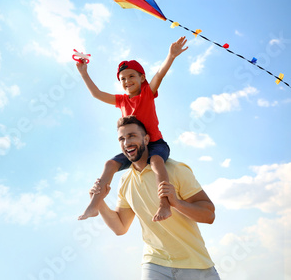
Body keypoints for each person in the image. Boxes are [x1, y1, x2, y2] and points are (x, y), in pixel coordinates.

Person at [91, 115, 220, 279]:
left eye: (132, 136)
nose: (126, 142)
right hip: (155, 263)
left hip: (195, 265)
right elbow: (120, 227)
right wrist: (99, 201)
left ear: (146, 139)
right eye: (121, 138)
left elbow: (209, 215)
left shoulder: (175, 169)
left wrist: (177, 203)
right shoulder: (125, 181)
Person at [77, 36, 188, 221]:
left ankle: (164, 204)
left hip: (155, 145)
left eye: (131, 76)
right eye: (123, 78)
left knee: (156, 162)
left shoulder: (147, 93)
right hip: (134, 149)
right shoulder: (121, 101)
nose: (127, 81)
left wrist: (171, 56)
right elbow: (96, 94)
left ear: (141, 77)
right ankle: (93, 205)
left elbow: (159, 74)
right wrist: (83, 73)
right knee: (109, 164)